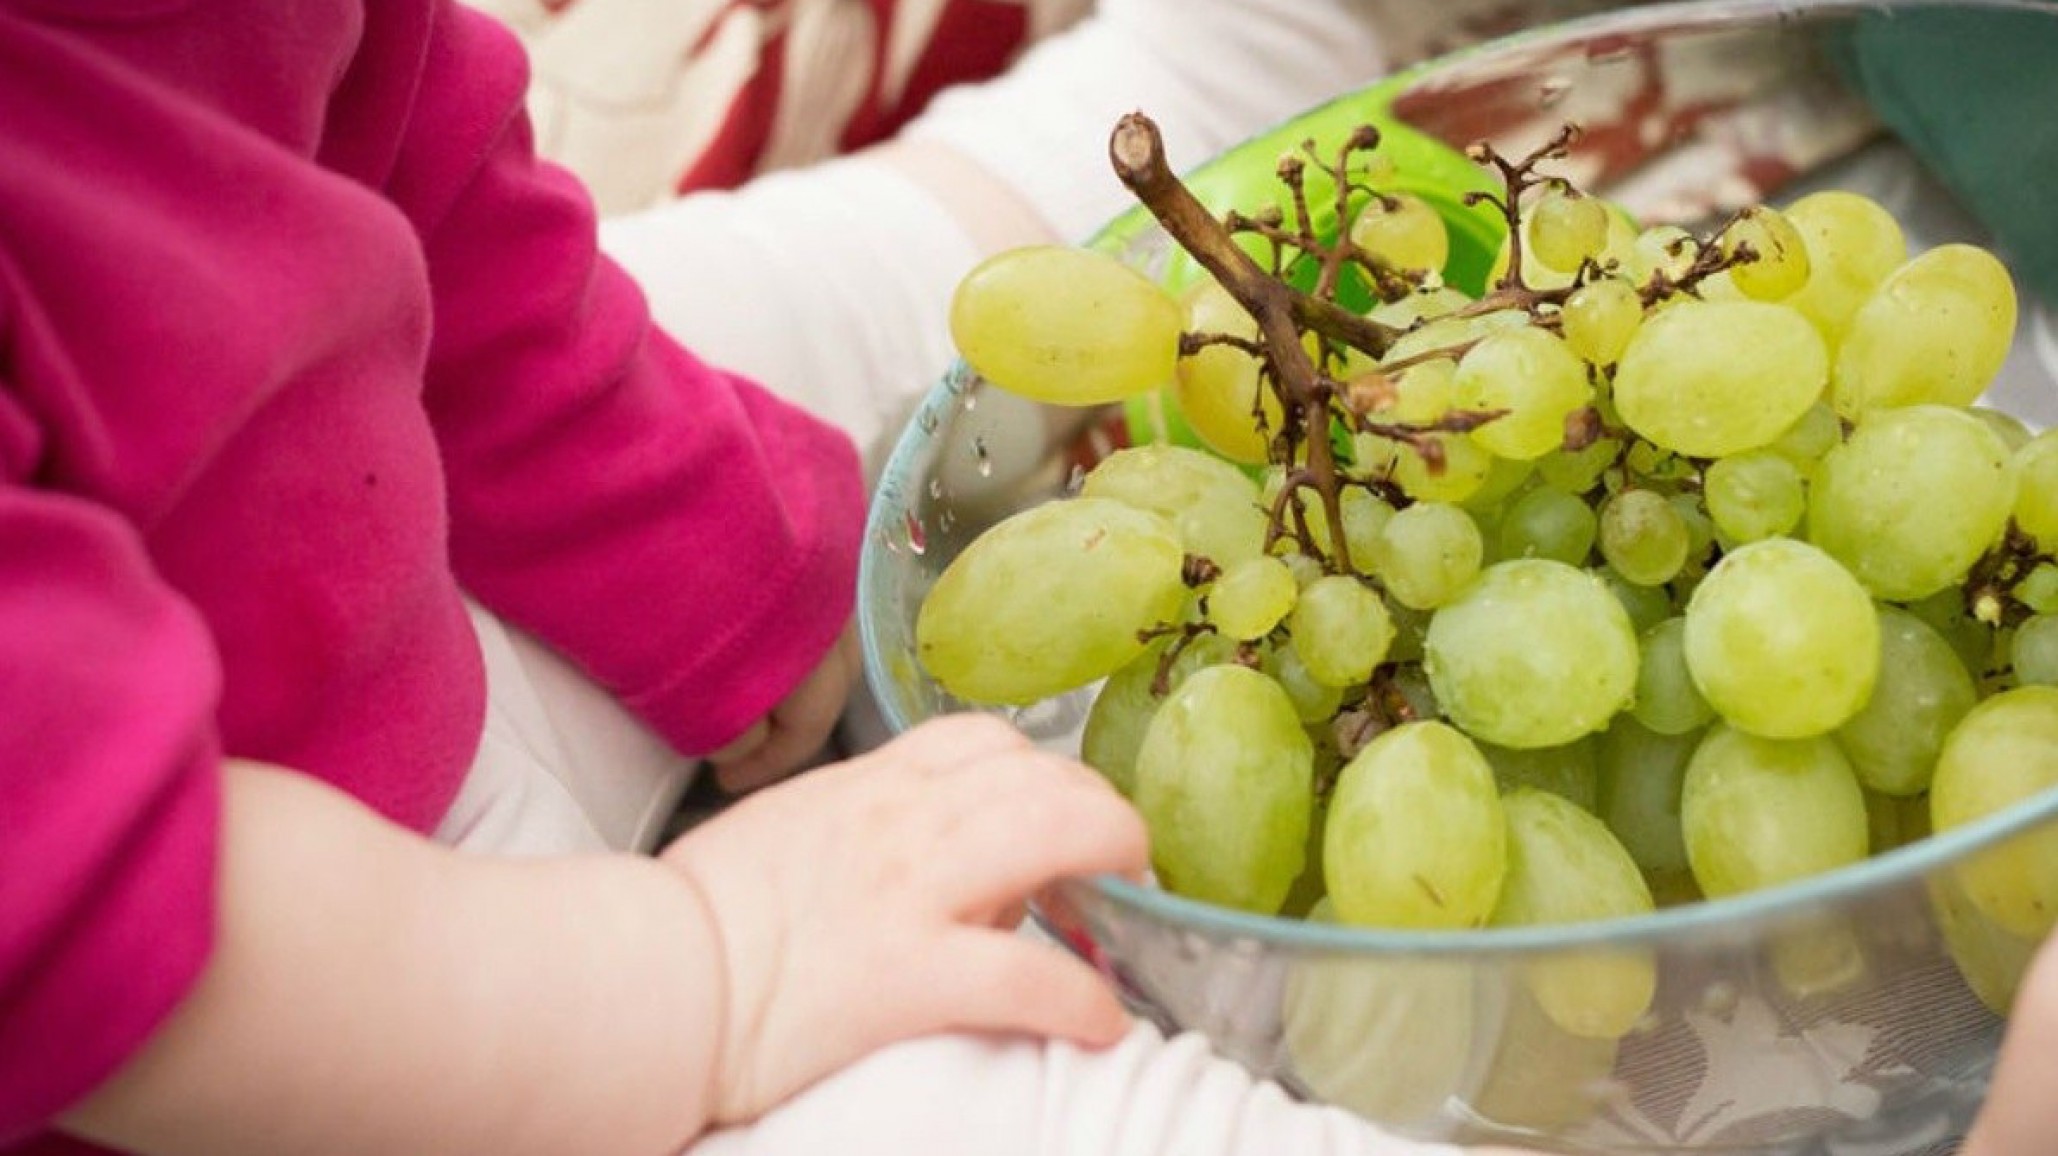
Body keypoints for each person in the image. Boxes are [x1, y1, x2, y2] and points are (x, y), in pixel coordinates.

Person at [0, 3, 1531, 1155]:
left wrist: (700, 541)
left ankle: (1165, 100)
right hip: (316, 1020)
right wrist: (705, 984)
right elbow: (74, 901)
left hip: (350, 531)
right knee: (1037, 1098)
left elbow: (387, 136)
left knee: (803, 296)